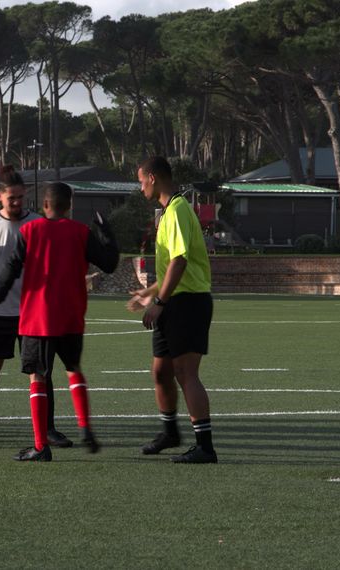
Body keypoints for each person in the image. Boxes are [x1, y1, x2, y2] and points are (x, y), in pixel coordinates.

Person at [0, 182, 118, 461]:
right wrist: (106, 232)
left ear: (44, 206)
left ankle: (41, 446)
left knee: (38, 377)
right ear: (69, 206)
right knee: (73, 369)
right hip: (71, 316)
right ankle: (85, 427)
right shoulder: (81, 232)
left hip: (38, 317)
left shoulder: (30, 230)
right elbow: (110, 264)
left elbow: (8, 272)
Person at [0, 166, 71, 447]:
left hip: (31, 311)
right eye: (12, 198)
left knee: (40, 372)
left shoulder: (36, 223)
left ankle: (48, 428)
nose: (17, 203)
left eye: (21, 197)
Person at [127, 156, 218, 464]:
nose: (140, 188)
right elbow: (170, 267)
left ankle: (205, 447)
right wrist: (149, 291)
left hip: (188, 303)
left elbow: (180, 262)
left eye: (141, 181)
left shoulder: (177, 210)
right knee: (161, 371)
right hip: (175, 300)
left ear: (152, 177)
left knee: (185, 373)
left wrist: (159, 304)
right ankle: (170, 433)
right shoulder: (167, 212)